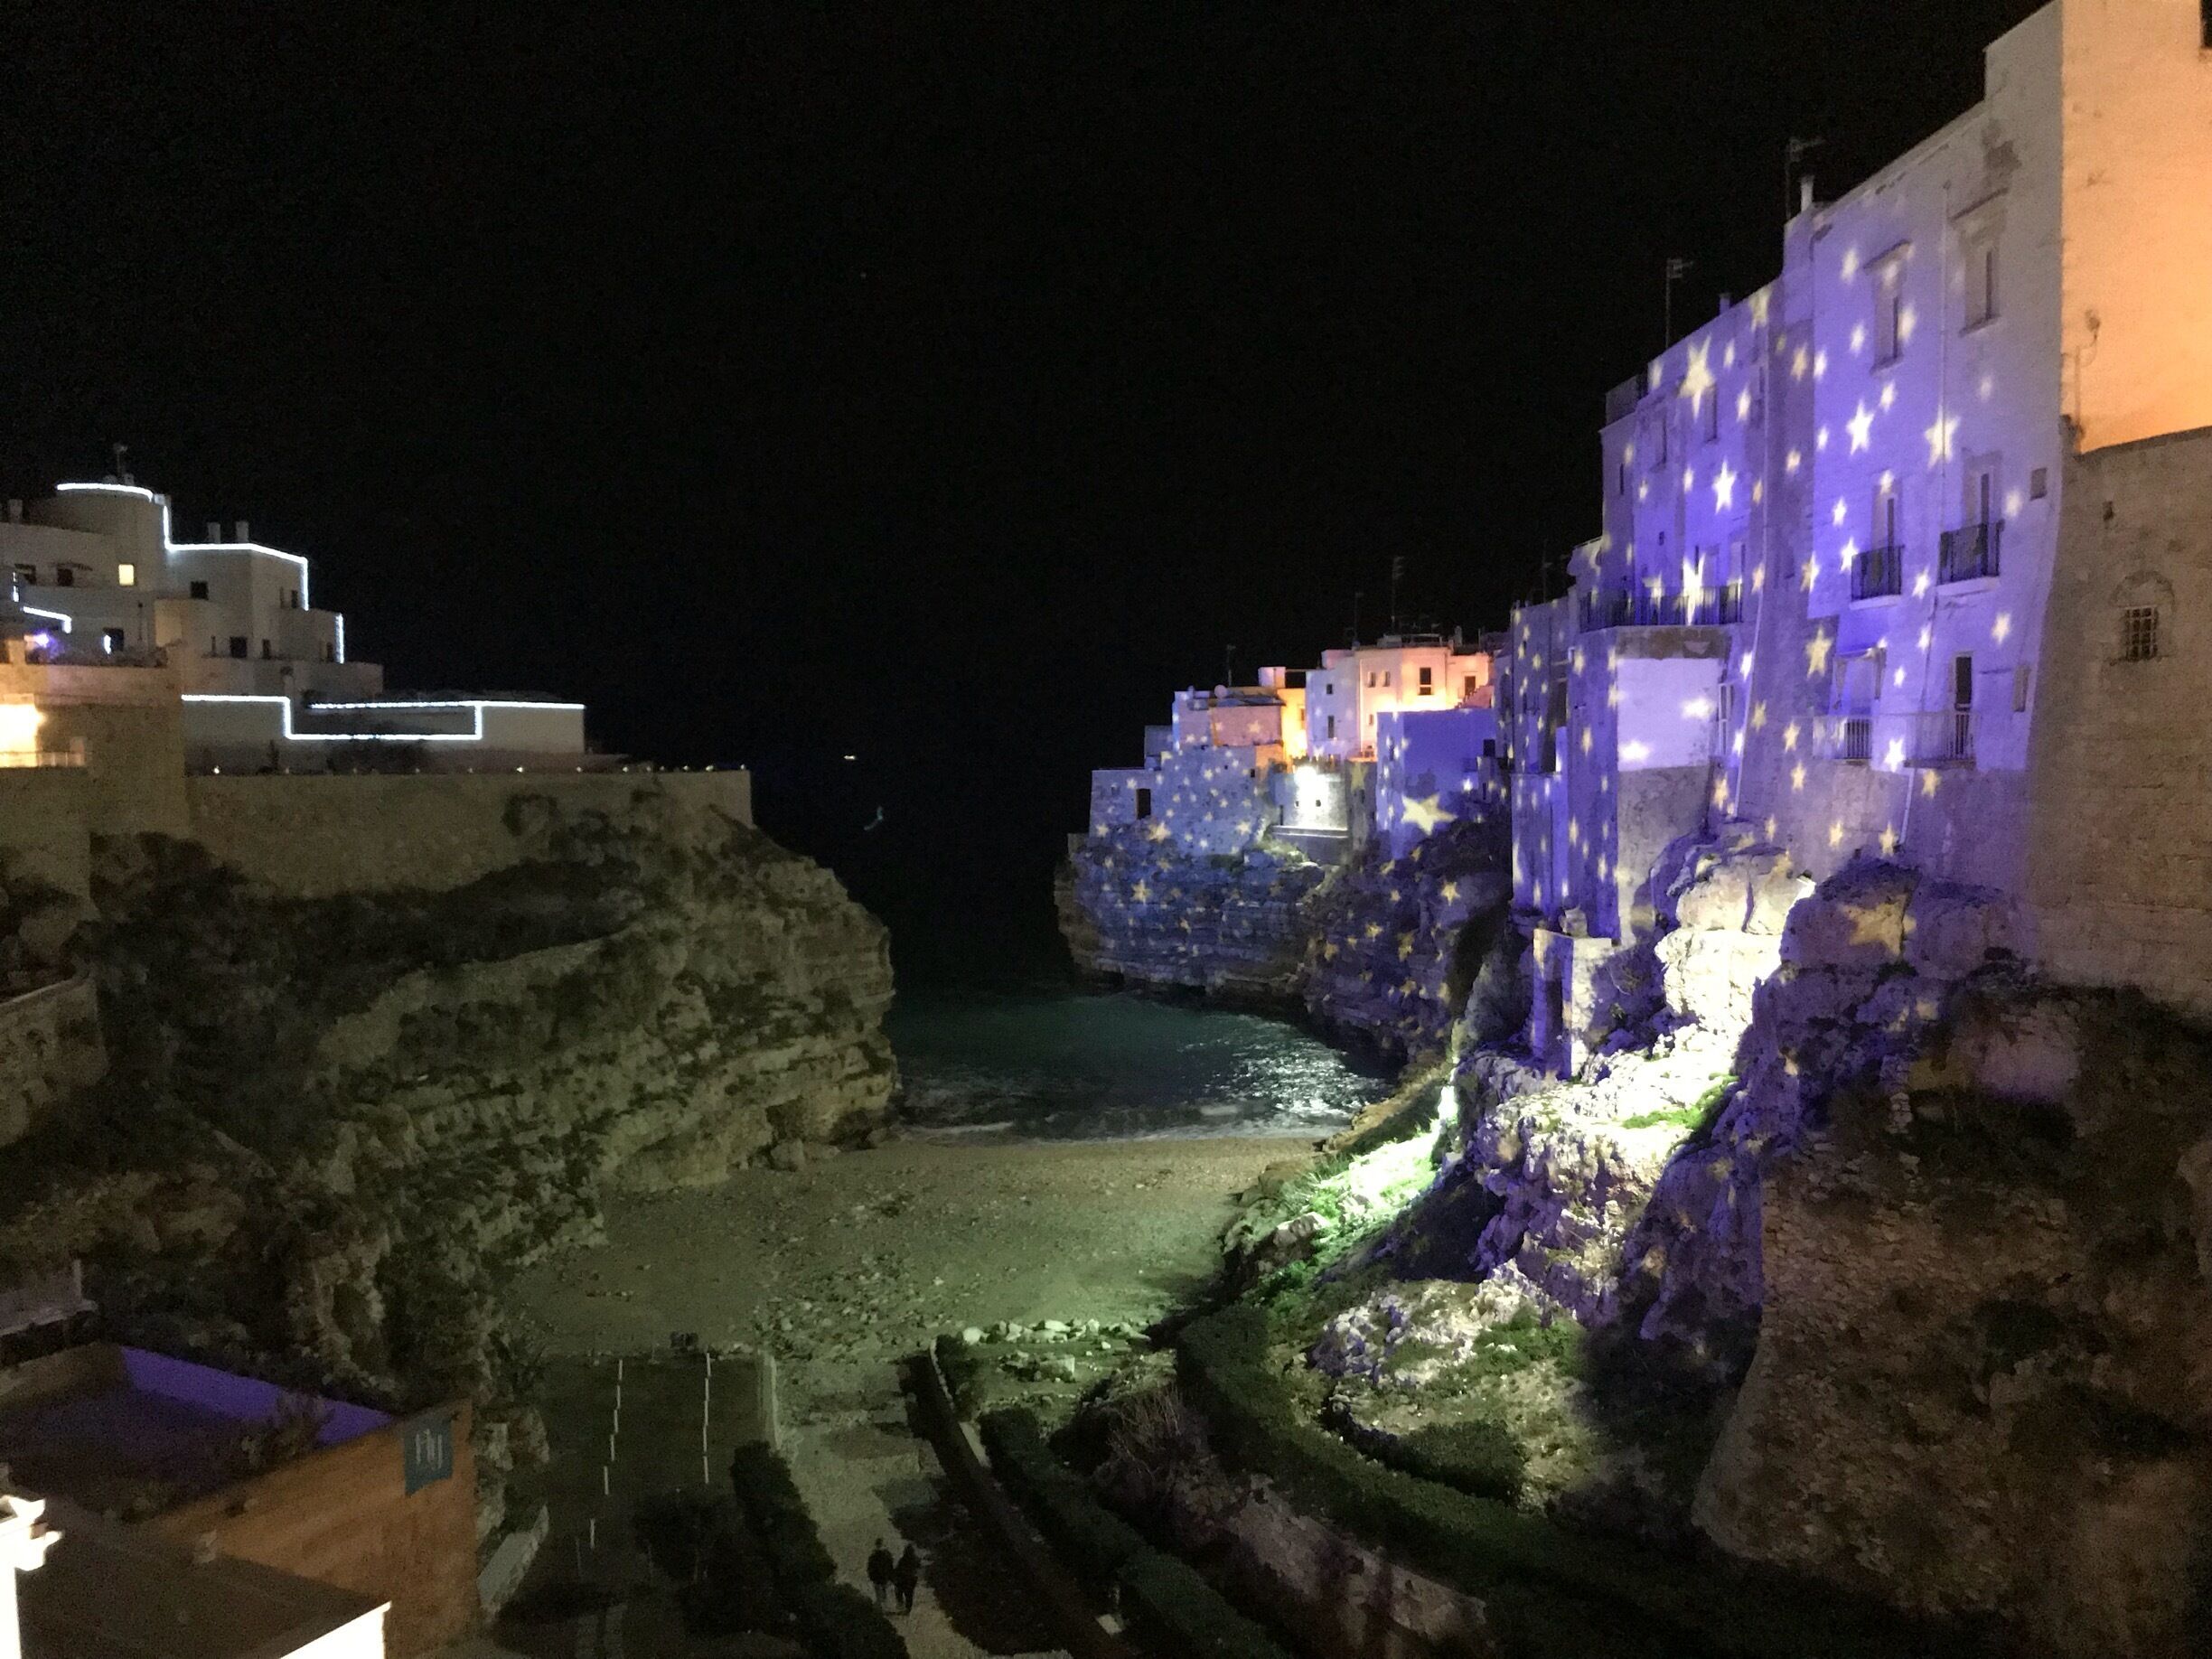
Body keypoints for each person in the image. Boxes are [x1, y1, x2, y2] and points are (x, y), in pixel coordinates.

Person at [866, 1539, 895, 1609]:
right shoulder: (887, 1554)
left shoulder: (874, 1555)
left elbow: (870, 1566)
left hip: (877, 1576)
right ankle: (884, 1604)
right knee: (883, 1590)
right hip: (884, 1576)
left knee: (878, 1591)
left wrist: (871, 1575)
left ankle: (880, 1604)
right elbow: (891, 1566)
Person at [894, 1542, 921, 1615]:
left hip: (904, 1579)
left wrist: (895, 1576)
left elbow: (898, 1569)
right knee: (910, 1594)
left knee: (899, 1591)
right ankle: (908, 1609)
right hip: (912, 1579)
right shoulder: (916, 1559)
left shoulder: (903, 1559)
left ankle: (901, 1605)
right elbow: (919, 1567)